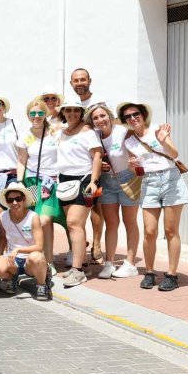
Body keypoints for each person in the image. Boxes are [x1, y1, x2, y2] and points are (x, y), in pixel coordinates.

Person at [119, 100, 188, 291]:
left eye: (136, 114)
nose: (133, 118)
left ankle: (172, 275)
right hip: (149, 182)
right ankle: (149, 272)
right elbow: (139, 173)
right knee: (150, 231)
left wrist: (162, 140)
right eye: (128, 116)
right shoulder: (129, 142)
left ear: (143, 115)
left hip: (171, 179)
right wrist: (133, 167)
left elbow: (174, 154)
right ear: (125, 121)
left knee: (171, 230)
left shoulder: (158, 129)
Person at [87, 104, 140, 279]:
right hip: (108, 181)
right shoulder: (94, 136)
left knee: (129, 221)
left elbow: (135, 152)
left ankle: (131, 263)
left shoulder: (123, 132)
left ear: (109, 116)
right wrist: (100, 165)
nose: (100, 120)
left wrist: (135, 161)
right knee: (111, 223)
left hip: (127, 179)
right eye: (95, 118)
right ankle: (109, 263)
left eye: (103, 116)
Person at [55, 100, 102, 287]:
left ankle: (78, 271)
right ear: (63, 112)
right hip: (65, 182)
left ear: (81, 112)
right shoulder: (61, 132)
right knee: (75, 226)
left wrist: (93, 181)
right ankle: (81, 264)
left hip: (84, 181)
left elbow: (97, 156)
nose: (72, 113)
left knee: (74, 223)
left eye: (76, 110)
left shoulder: (88, 132)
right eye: (68, 110)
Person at [15, 99, 63, 273]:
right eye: (33, 113)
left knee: (46, 220)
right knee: (35, 221)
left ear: (46, 114)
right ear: (28, 115)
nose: (36, 116)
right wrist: (20, 181)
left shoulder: (55, 131)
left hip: (50, 182)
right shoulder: (25, 136)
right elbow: (21, 160)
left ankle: (49, 261)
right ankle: (37, 258)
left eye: (40, 113)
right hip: (31, 183)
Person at [0, 183, 50, 301]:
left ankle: (42, 285)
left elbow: (40, 246)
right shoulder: (2, 217)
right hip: (13, 260)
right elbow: (3, 238)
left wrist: (18, 250)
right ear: (6, 201)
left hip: (29, 261)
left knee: (36, 257)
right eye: (10, 200)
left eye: (18, 199)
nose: (14, 203)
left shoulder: (33, 217)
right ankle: (11, 277)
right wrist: (0, 256)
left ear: (24, 199)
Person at [70, 69, 107, 264]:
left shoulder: (97, 101)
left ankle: (97, 244)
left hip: (96, 159)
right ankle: (80, 244)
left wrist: (106, 155)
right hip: (79, 163)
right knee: (79, 209)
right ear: (71, 83)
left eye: (82, 79)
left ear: (89, 80)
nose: (79, 83)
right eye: (76, 80)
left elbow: (106, 126)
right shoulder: (72, 104)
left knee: (95, 206)